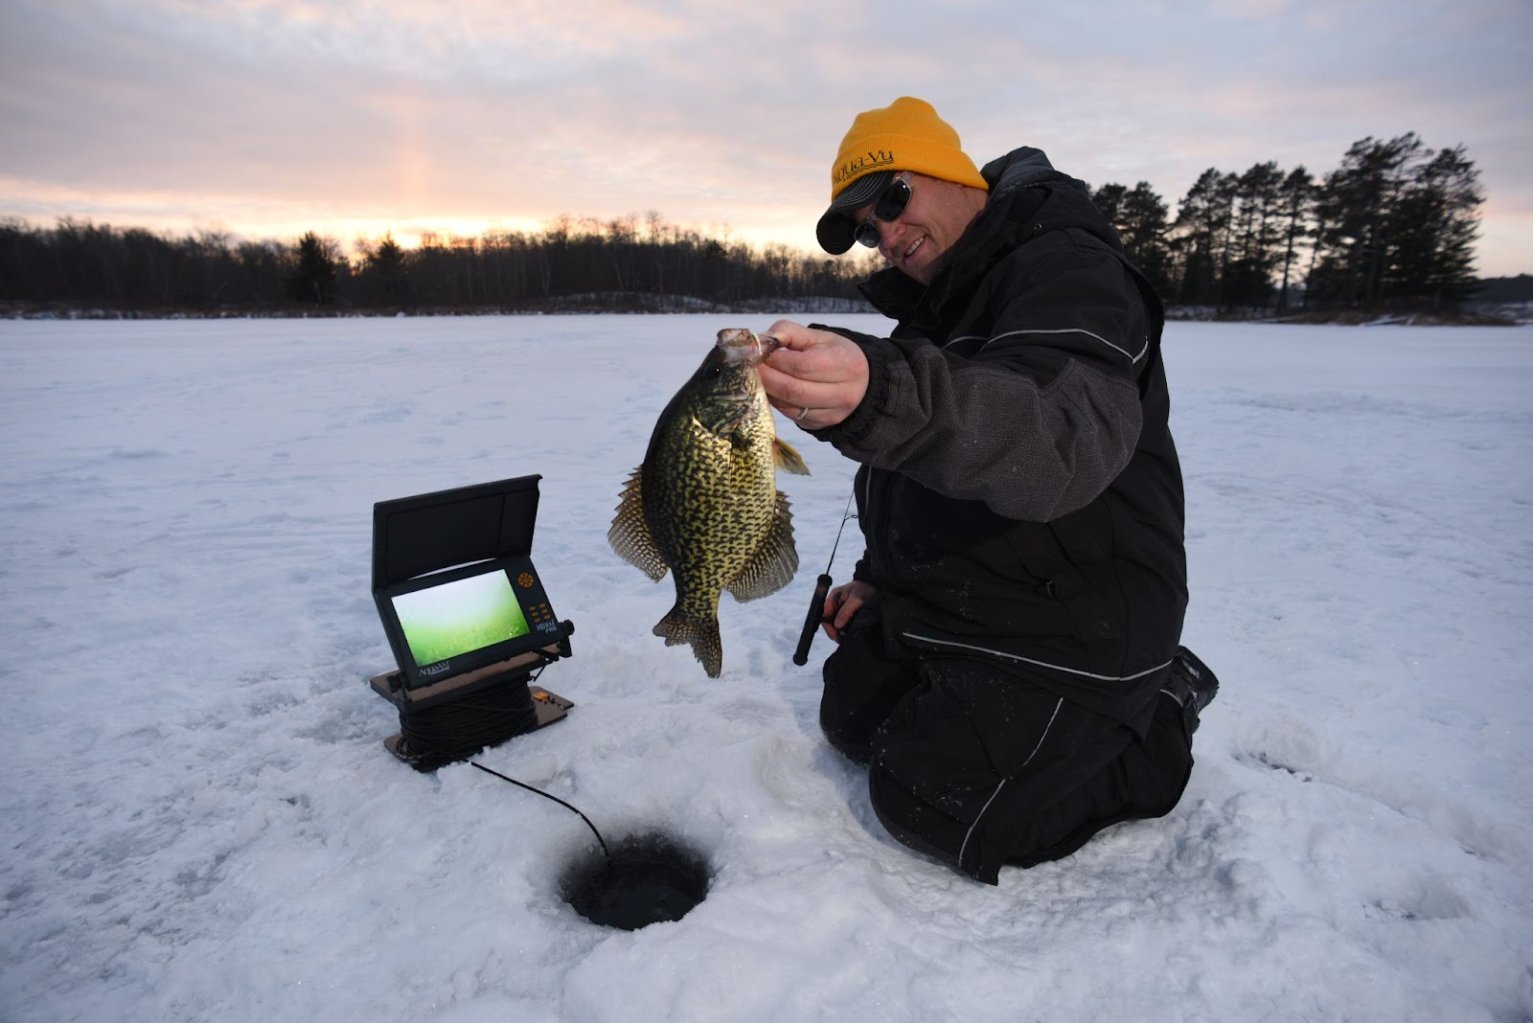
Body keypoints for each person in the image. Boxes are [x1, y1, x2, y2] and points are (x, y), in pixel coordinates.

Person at [757, 97, 1220, 885]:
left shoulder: (1068, 270)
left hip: (1081, 613)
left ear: (950, 173)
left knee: (931, 802)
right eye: (868, 230)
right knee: (850, 717)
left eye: (893, 201)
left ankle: (1160, 707)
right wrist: (875, 579)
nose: (887, 236)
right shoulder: (935, 310)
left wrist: (880, 392)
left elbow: (1055, 437)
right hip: (977, 595)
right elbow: (909, 474)